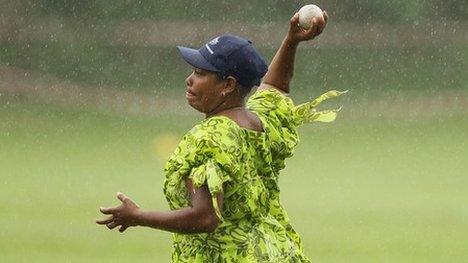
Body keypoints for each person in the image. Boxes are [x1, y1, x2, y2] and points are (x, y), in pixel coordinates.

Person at [97, 11, 345, 262]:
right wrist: (291, 41)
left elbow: (205, 217)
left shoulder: (208, 140)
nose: (189, 80)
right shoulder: (261, 123)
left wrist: (138, 216)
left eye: (200, 73)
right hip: (273, 253)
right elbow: (275, 88)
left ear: (228, 84)